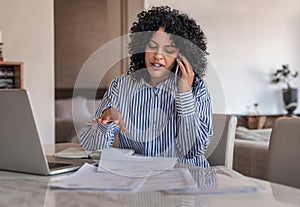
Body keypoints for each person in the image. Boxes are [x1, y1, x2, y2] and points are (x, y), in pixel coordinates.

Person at [80, 6, 213, 167]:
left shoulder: (197, 88)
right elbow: (90, 146)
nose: (158, 55)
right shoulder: (120, 86)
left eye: (169, 49)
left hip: (185, 179)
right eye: (152, 46)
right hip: (137, 178)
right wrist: (106, 120)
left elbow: (193, 150)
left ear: (183, 56)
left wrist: (184, 94)